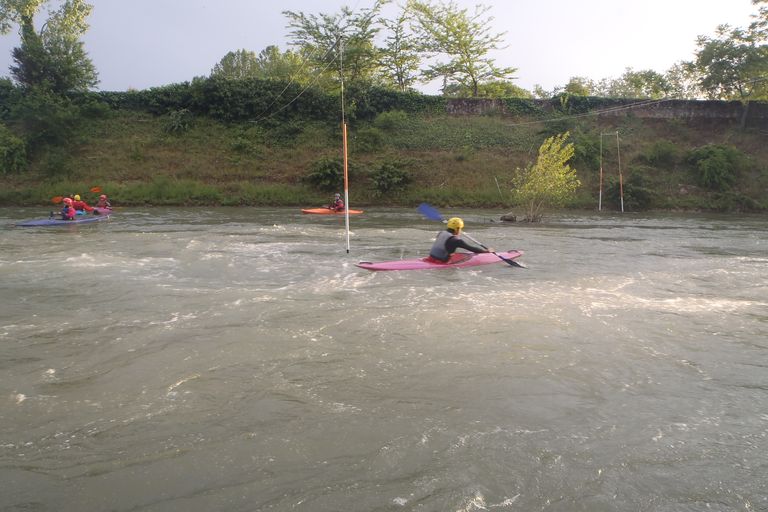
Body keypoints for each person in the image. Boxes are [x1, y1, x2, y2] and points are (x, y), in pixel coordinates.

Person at [428, 217, 493, 263]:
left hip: (431, 258)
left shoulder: (441, 233)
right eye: (461, 229)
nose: (461, 230)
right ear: (457, 229)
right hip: (442, 261)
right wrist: (486, 252)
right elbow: (472, 249)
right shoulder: (456, 241)